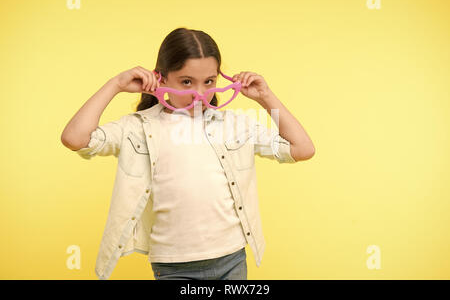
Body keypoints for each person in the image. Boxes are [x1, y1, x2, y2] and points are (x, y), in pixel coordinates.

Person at [60, 27, 315, 280]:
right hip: (172, 266)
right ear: (161, 78)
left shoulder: (235, 124)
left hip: (231, 259)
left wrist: (265, 97)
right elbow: (74, 138)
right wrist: (115, 85)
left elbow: (302, 149)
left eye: (209, 82)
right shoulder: (137, 128)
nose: (200, 94)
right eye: (186, 82)